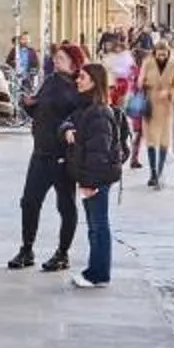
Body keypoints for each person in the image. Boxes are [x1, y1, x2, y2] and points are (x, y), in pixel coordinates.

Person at [12, 43, 86, 273]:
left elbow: (78, 118)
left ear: (74, 63)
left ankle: (62, 253)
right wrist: (28, 106)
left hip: (62, 156)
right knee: (29, 202)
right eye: (56, 58)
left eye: (62, 58)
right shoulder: (51, 81)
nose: (56, 61)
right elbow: (40, 109)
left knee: (65, 206)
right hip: (41, 152)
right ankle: (27, 249)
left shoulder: (78, 88)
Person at [66, 63, 122, 287]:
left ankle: (99, 273)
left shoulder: (98, 112)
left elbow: (99, 151)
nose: (77, 80)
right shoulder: (86, 108)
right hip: (91, 176)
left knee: (98, 225)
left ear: (94, 82)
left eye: (82, 77)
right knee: (94, 225)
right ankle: (95, 270)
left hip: (96, 178)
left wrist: (90, 182)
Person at [139, 40, 174, 187]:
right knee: (151, 140)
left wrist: (169, 93)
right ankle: (152, 173)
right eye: (159, 54)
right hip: (150, 106)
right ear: (155, 53)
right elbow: (140, 82)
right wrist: (145, 85)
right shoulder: (147, 63)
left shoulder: (173, 65)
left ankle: (160, 171)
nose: (162, 57)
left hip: (166, 107)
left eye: (164, 54)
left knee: (164, 140)